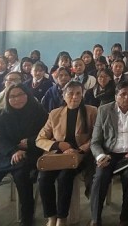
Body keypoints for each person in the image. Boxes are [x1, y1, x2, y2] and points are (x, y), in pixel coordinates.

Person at [0, 84, 46, 226]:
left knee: (21, 176)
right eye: (12, 96)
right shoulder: (3, 114)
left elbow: (46, 134)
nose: (16, 99)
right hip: (6, 154)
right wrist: (13, 151)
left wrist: (29, 144)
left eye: (20, 95)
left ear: (27, 95)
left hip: (31, 154)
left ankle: (27, 218)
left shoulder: (39, 112)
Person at [36, 81, 97, 226]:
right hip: (58, 155)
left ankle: (62, 217)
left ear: (82, 95)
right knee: (43, 177)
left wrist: (80, 149)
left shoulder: (91, 111)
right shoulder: (55, 114)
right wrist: (58, 145)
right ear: (64, 95)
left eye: (78, 93)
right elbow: (40, 139)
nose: (74, 97)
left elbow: (97, 136)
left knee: (65, 177)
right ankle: (51, 216)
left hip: (81, 155)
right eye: (70, 93)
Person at [90, 82, 128, 226]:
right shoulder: (104, 110)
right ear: (116, 96)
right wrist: (100, 156)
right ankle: (95, 218)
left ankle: (125, 217)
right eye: (123, 94)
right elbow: (95, 141)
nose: (127, 97)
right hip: (110, 154)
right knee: (100, 178)